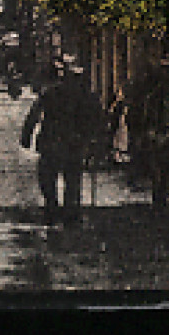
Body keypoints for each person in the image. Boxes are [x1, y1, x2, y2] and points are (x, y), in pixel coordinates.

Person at [20, 61, 105, 225]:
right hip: (72, 144)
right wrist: (96, 141)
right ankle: (69, 212)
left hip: (54, 143)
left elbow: (34, 114)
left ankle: (54, 208)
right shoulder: (87, 97)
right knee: (71, 180)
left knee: (49, 178)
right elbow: (98, 121)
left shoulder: (52, 93)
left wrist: (26, 137)